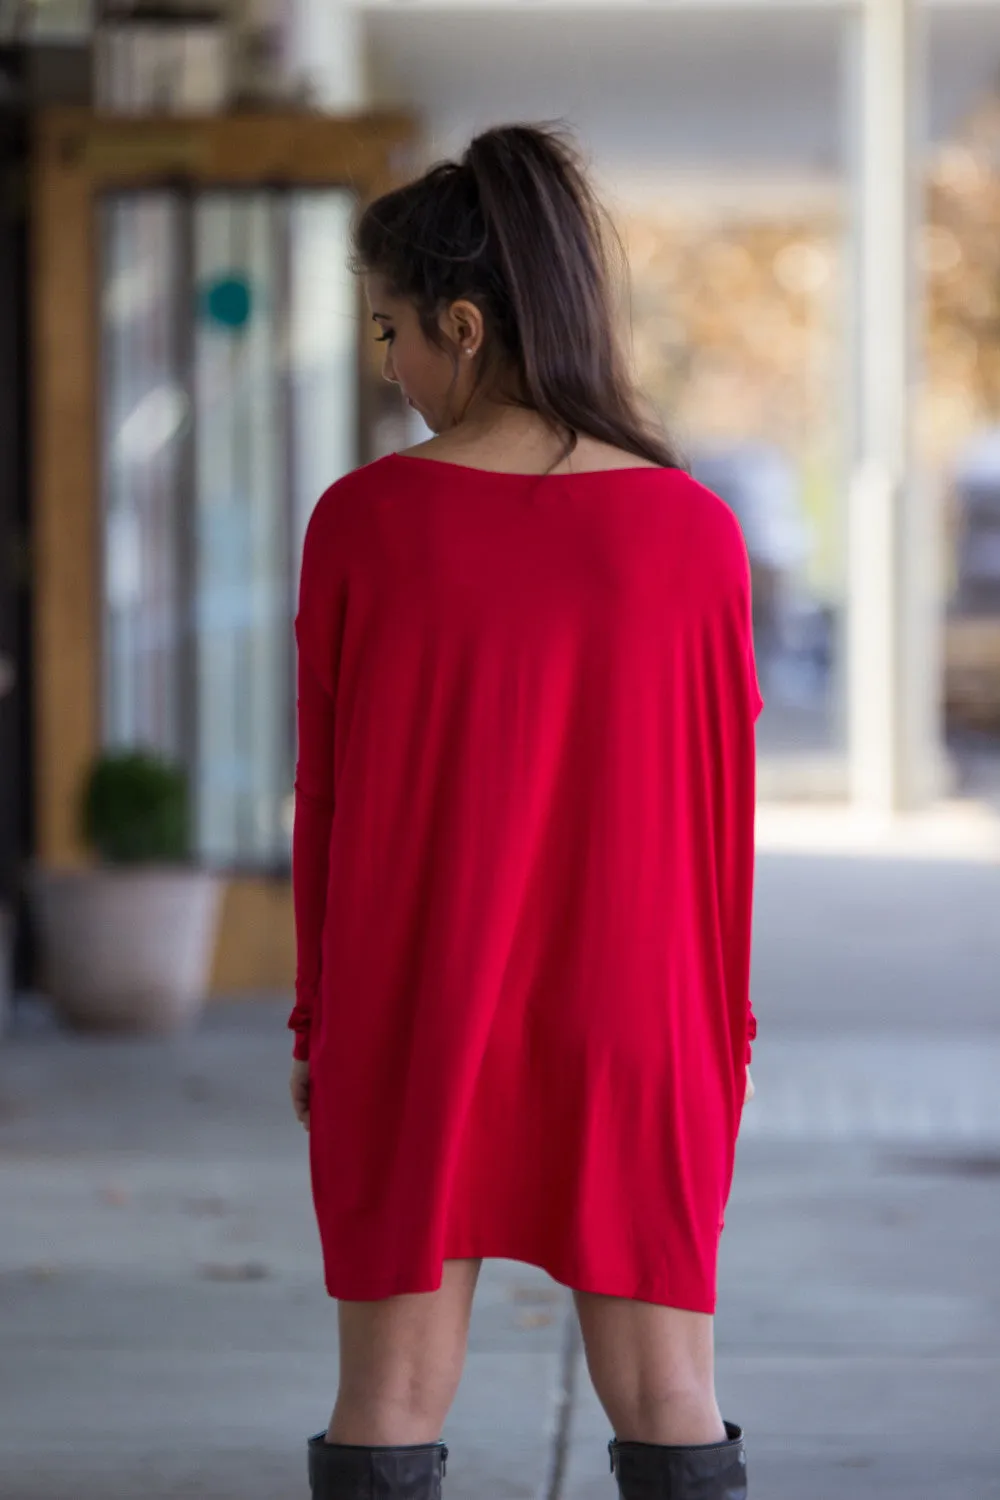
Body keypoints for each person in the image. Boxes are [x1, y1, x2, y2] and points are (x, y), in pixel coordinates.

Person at [288, 122, 760, 1500]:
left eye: (392, 335)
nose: (390, 371)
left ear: (465, 324)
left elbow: (330, 801)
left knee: (385, 1397)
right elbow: (720, 826)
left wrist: (321, 1019)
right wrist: (719, 1040)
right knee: (675, 1393)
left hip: (419, 1004)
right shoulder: (693, 532)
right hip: (638, 1019)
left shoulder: (363, 523)